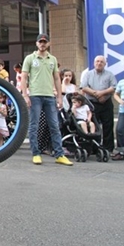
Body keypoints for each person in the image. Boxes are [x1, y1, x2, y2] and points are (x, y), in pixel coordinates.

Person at [21, 34, 73, 166]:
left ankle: (59, 154)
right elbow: (24, 77)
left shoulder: (53, 59)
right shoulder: (30, 58)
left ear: (48, 43)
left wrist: (59, 96)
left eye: (45, 42)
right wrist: (25, 95)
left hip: (50, 96)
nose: (42, 44)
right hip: (35, 96)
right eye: (40, 42)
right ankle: (36, 153)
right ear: (36, 43)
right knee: (34, 126)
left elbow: (56, 78)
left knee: (55, 126)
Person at [80, 55, 117, 154]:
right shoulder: (88, 74)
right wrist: (96, 94)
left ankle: (108, 148)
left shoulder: (110, 75)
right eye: (97, 61)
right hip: (92, 104)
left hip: (106, 103)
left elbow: (113, 87)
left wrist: (102, 93)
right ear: (94, 63)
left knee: (108, 126)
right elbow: (83, 87)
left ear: (105, 64)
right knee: (94, 126)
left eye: (101, 62)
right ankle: (94, 148)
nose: (99, 63)